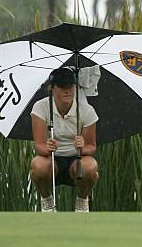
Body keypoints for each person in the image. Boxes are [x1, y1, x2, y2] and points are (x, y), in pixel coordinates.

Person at [29, 67, 99, 212]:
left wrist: (82, 147)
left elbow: (91, 147)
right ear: (52, 89)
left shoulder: (87, 110)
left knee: (91, 167)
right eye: (62, 87)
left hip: (77, 161)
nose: (67, 91)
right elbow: (39, 146)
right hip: (51, 160)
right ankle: (47, 200)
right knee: (37, 165)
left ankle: (82, 201)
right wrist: (47, 148)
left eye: (70, 86)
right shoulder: (40, 107)